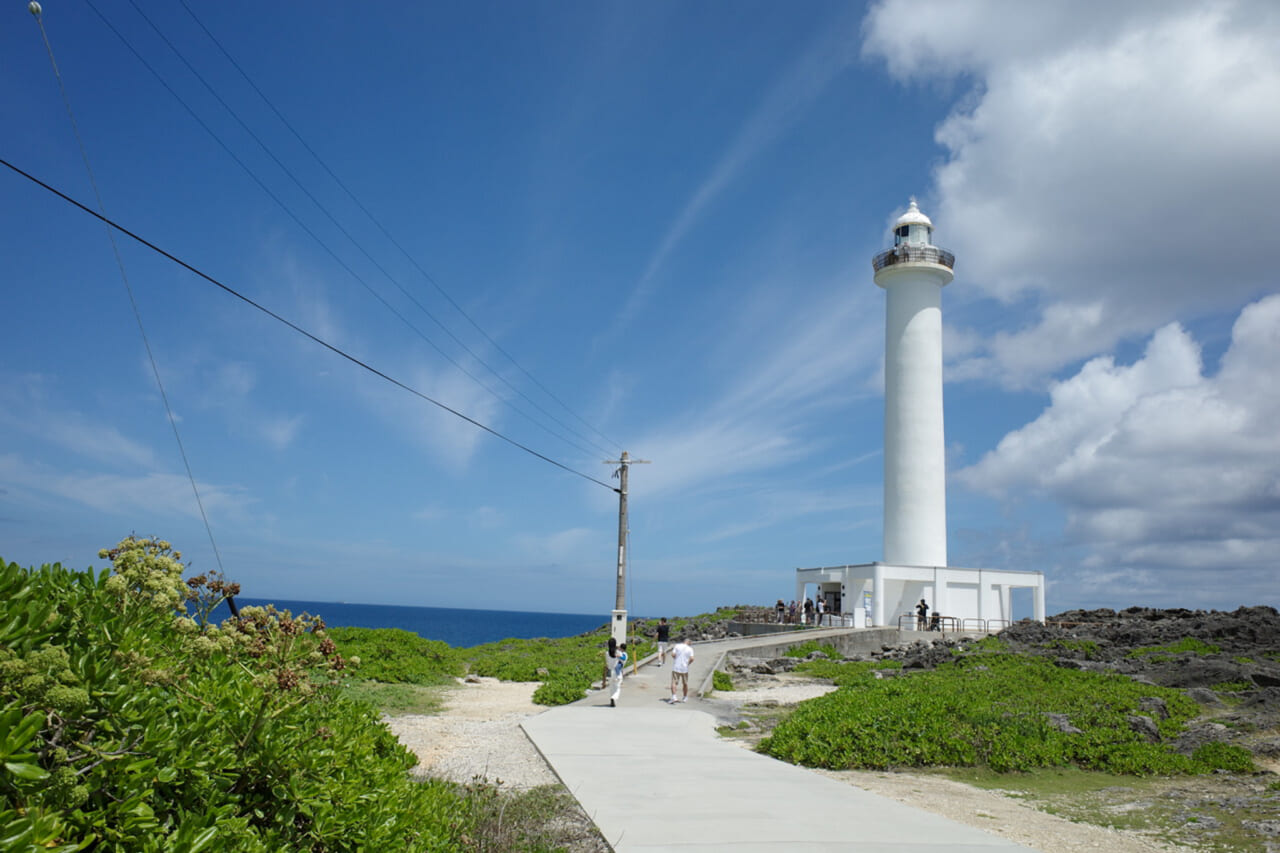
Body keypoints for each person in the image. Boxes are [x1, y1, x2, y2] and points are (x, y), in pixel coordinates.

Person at [668, 636, 695, 703]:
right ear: (689, 642)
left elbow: (673, 654)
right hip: (684, 668)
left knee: (674, 682)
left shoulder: (677, 646)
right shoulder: (690, 649)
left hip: (676, 667)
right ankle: (685, 697)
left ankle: (674, 696)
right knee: (685, 683)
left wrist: (676, 659)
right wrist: (688, 663)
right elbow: (692, 659)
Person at [606, 637, 625, 707]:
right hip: (616, 672)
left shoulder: (607, 653)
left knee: (611, 687)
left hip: (610, 672)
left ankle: (611, 698)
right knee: (617, 687)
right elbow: (623, 659)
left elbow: (607, 662)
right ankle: (614, 698)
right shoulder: (618, 652)